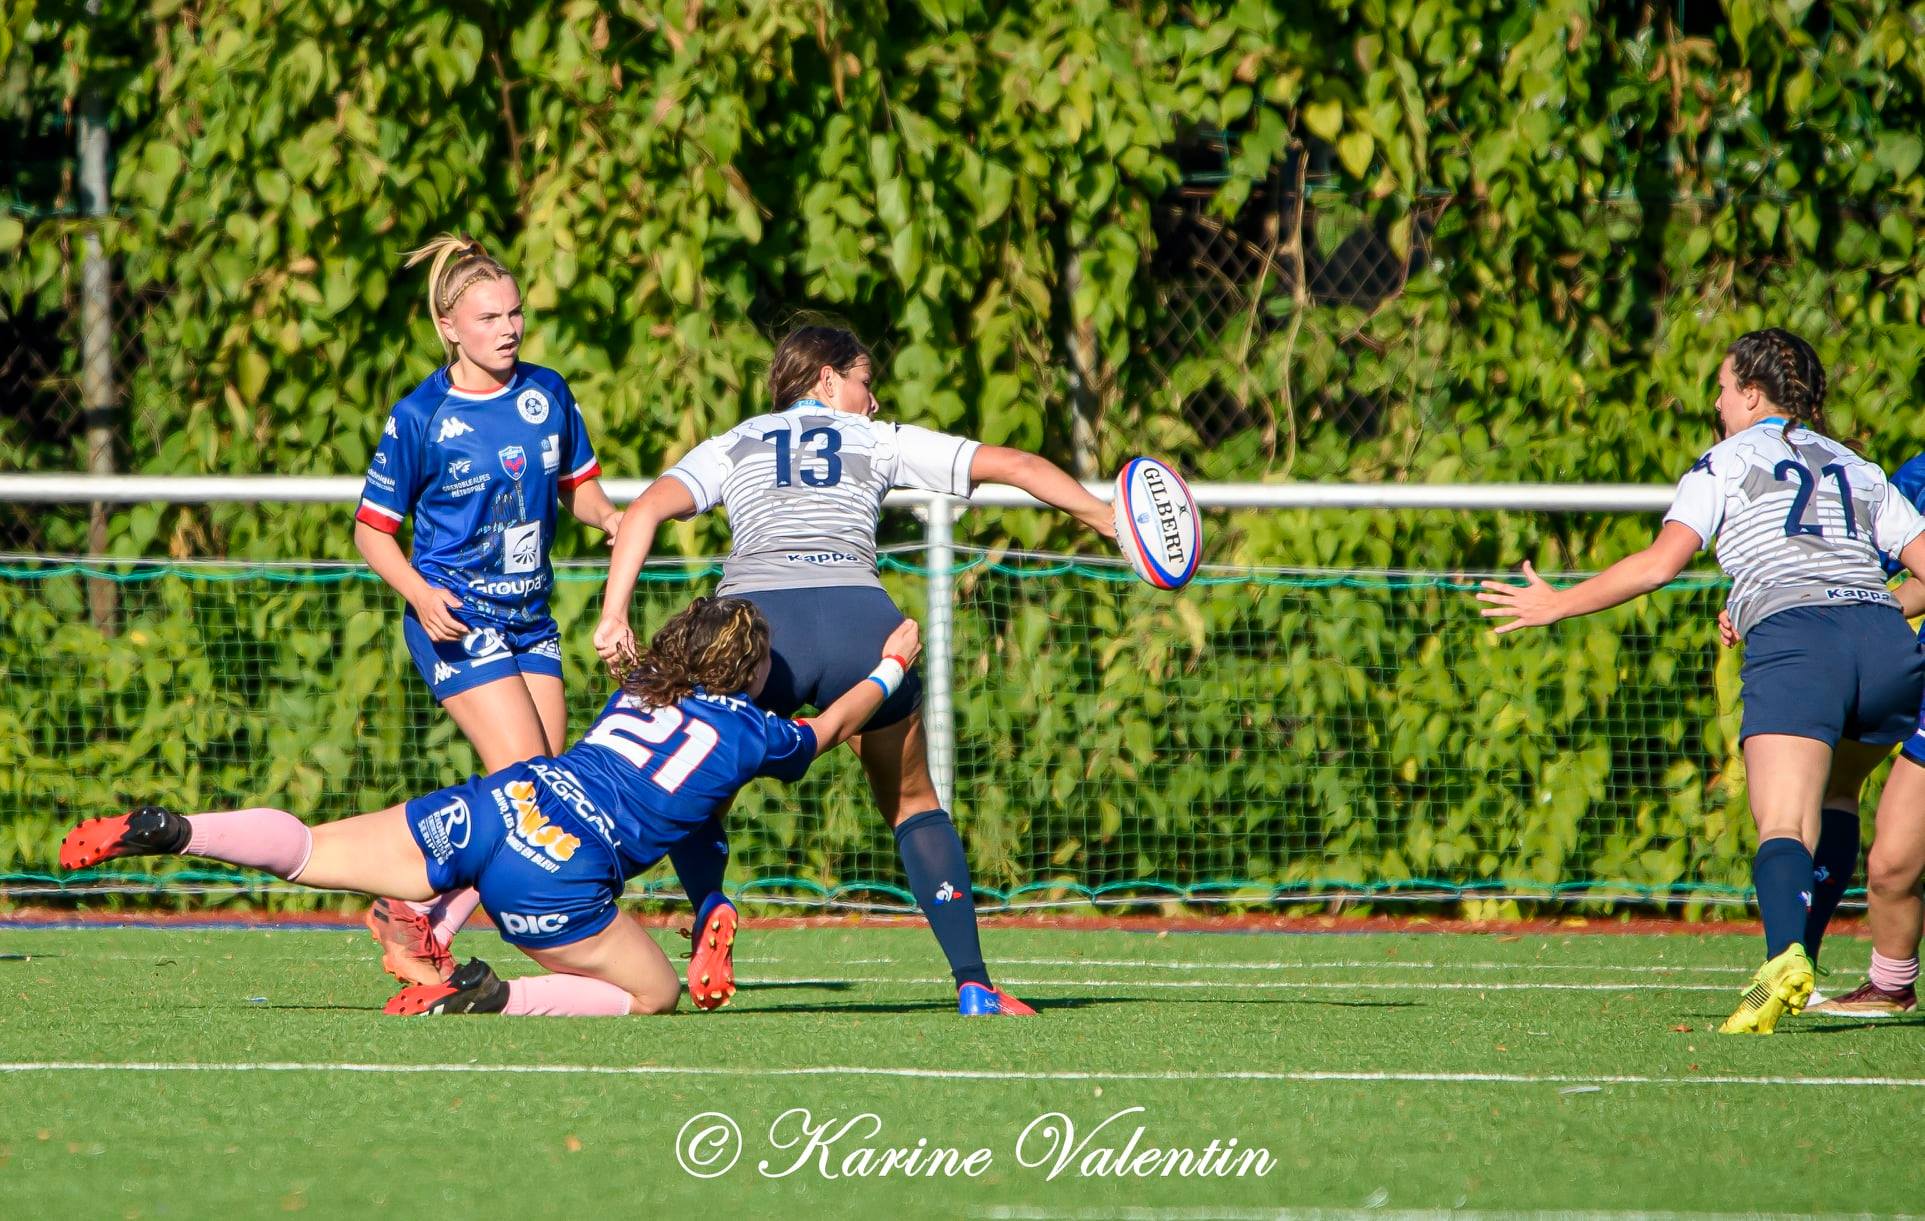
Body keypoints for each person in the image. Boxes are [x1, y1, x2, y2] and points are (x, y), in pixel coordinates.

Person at [593, 324, 1117, 1016]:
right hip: (859, 628)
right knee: (912, 803)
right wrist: (1107, 519)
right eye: (865, 383)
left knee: (702, 785)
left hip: (754, 635)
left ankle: (710, 903)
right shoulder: (878, 439)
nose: (871, 402)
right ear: (825, 381)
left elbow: (647, 508)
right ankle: (973, 983)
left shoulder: (737, 441)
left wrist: (614, 613)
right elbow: (1016, 463)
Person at [57, 599, 920, 1017]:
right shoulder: (750, 734)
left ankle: (180, 830)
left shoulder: (638, 688)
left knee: (310, 848)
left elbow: (688, 797)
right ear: (747, 670)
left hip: (507, 796)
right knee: (653, 993)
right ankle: (489, 992)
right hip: (565, 866)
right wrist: (887, 668)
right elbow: (829, 726)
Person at [1476, 327, 1925, 1034]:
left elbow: (1660, 564)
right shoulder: (1855, 463)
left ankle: (1784, 963)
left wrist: (1556, 602)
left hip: (1798, 643)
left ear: (1751, 393)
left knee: (1782, 821)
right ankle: (1798, 967)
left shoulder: (1724, 458)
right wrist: (1859, 606)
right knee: (1837, 791)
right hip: (1886, 653)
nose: (1715, 403)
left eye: (1720, 388)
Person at [351, 235, 733, 1000]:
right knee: (525, 783)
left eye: (516, 311)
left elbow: (578, 488)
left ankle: (421, 914)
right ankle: (418, 910)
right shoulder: (422, 414)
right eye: (489, 315)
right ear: (449, 325)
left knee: (540, 792)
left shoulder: (546, 393)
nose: (508, 326)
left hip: (530, 618)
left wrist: (609, 519)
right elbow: (371, 530)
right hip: (459, 619)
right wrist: (420, 596)